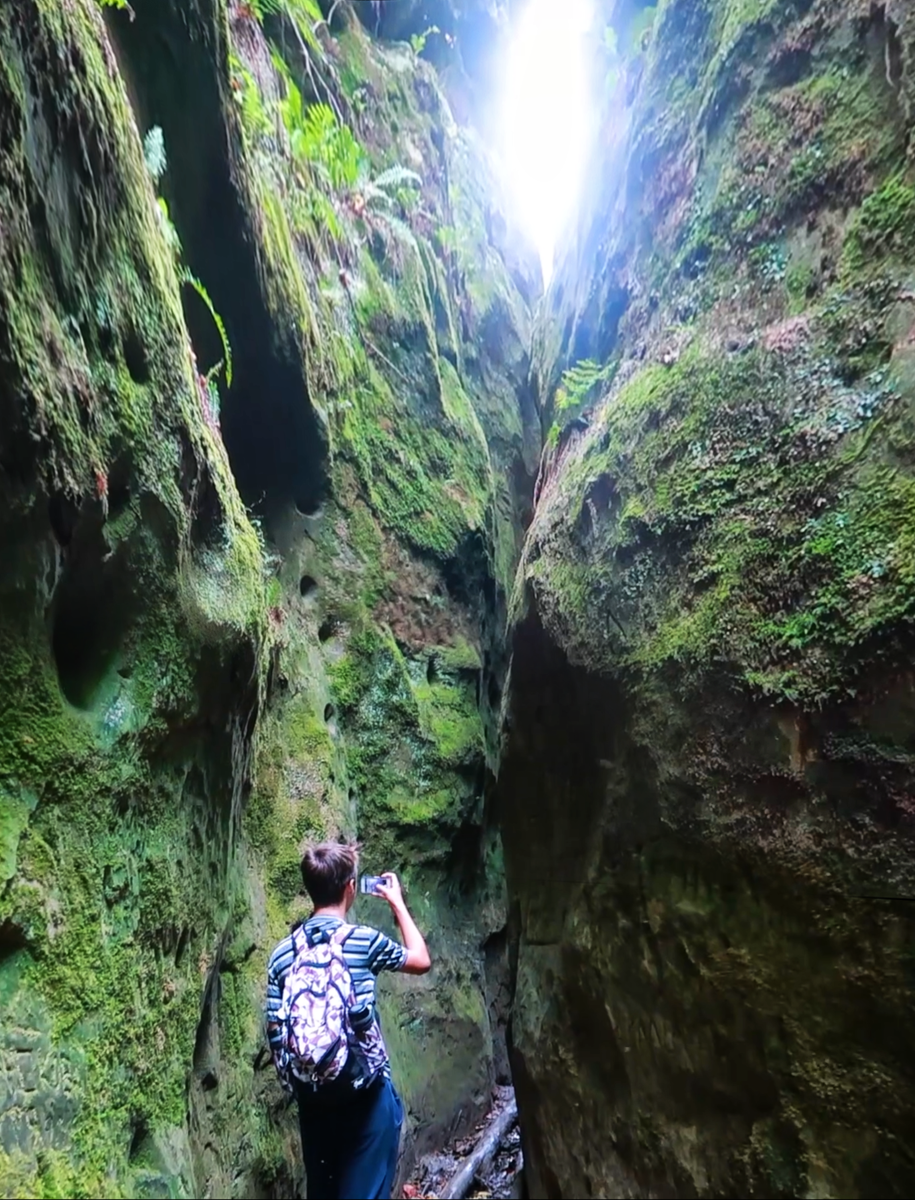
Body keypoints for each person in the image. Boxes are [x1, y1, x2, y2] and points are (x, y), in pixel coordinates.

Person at [266, 842, 431, 1200]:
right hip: (366, 1100)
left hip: (314, 1105)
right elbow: (421, 959)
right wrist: (397, 901)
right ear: (351, 888)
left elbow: (275, 1034)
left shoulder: (281, 956)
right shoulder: (363, 942)